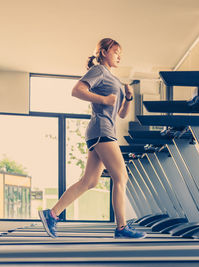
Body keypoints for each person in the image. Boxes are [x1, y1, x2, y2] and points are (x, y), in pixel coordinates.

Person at [38, 38, 146, 239]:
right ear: (104, 52)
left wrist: (128, 97)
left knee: (90, 181)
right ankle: (122, 227)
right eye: (115, 52)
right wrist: (104, 99)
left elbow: (121, 114)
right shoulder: (99, 71)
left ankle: (51, 214)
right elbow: (77, 90)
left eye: (120, 53)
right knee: (121, 176)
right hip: (102, 130)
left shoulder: (113, 79)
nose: (119, 56)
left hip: (104, 130)